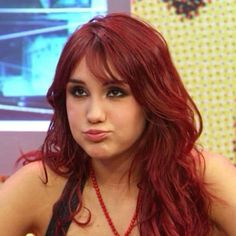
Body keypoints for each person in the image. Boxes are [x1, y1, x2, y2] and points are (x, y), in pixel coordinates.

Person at [0, 13, 235, 236]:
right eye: (79, 91)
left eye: (115, 92)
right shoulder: (41, 183)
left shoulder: (202, 177)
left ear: (151, 99)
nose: (94, 114)